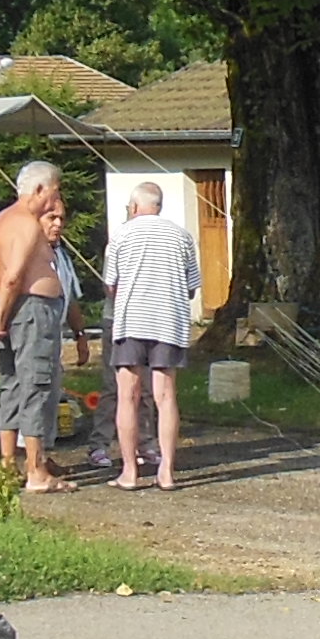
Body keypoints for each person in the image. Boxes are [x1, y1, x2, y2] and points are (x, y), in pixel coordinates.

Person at [0, 159, 73, 494]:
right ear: (40, 189)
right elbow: (13, 276)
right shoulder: (27, 223)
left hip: (13, 309)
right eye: (54, 190)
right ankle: (36, 471)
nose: (55, 199)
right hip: (30, 310)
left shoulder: (0, 220)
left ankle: (7, 465)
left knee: (12, 386)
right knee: (36, 386)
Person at [101, 175, 204, 493]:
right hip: (169, 323)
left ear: (133, 206)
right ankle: (167, 472)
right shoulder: (182, 236)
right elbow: (191, 288)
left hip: (132, 322)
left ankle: (130, 471)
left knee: (127, 396)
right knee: (166, 396)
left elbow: (111, 285)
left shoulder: (121, 235)